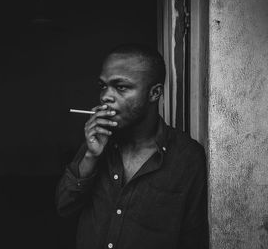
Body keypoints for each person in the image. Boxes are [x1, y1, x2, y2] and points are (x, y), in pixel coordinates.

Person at [56, 44, 209, 249]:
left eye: (121, 87)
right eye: (103, 86)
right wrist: (90, 157)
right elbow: (64, 208)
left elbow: (193, 239)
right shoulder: (98, 142)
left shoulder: (187, 157)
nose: (105, 97)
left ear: (154, 93)